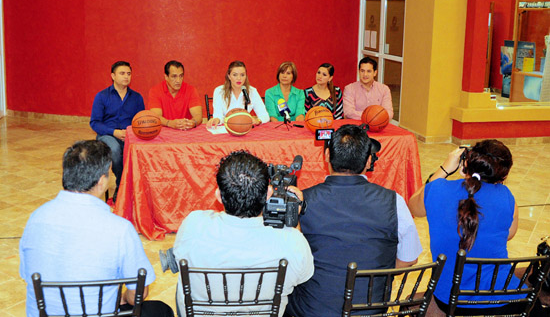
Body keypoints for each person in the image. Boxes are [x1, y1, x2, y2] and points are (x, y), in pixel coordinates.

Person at [19, 140, 173, 317]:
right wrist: (121, 297)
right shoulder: (119, 229)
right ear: (101, 181)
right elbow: (138, 294)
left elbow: (27, 275)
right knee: (161, 310)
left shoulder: (35, 219)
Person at [286, 124, 422, 317]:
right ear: (368, 161)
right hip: (371, 310)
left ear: (326, 156)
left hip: (312, 310)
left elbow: (287, 260)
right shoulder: (394, 202)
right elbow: (409, 259)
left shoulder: (301, 201)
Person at [407, 140, 548, 316]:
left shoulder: (437, 189)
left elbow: (413, 206)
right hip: (501, 298)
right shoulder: (507, 197)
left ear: (464, 164)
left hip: (449, 298)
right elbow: (509, 234)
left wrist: (444, 169)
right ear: (503, 175)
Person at [172, 150, 314, 317]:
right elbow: (304, 276)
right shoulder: (291, 240)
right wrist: (293, 220)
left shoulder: (193, 224)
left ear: (219, 196)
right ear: (268, 194)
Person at [90, 61, 145, 201]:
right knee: (114, 149)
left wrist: (131, 132)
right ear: (113, 76)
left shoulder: (137, 98)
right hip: (107, 135)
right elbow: (94, 123)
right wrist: (114, 132)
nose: (126, 77)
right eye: (122, 73)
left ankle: (140, 190)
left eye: (128, 74)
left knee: (143, 149)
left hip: (129, 135)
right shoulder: (101, 96)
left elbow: (142, 121)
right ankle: (122, 186)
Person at [206, 61, 270, 128]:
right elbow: (218, 115)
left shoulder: (252, 91)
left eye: (242, 75)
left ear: (246, 76)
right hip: (226, 129)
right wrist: (217, 120)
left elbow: (265, 115)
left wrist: (258, 120)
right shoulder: (219, 91)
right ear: (229, 76)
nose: (239, 78)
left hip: (245, 129)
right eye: (235, 75)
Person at [149, 60, 202, 130]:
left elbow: (198, 116)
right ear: (166, 77)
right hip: (164, 131)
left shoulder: (191, 90)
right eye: (174, 76)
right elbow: (156, 116)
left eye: (181, 76)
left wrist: (192, 123)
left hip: (186, 130)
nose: (178, 80)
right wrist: (170, 123)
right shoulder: (155, 91)